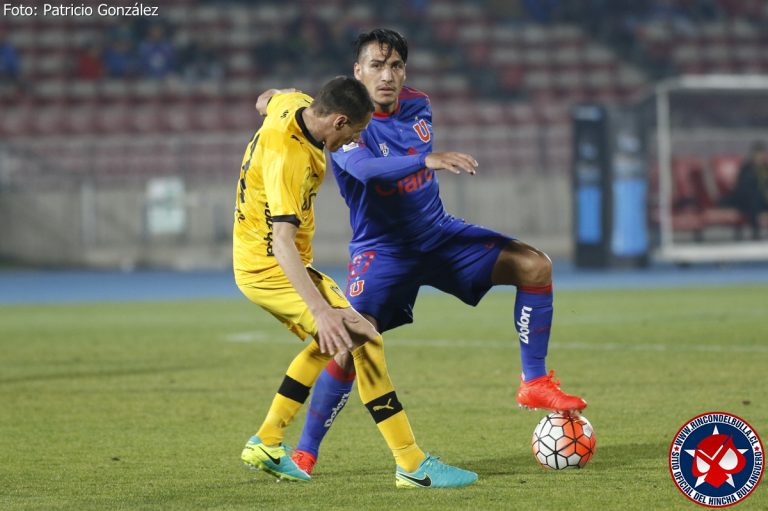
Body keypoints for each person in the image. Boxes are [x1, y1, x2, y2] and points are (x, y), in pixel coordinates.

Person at [289, 29, 587, 476]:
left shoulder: (419, 103)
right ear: (357, 72)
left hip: (439, 236)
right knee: (349, 345)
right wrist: (425, 160)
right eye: (376, 65)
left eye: (395, 66)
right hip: (383, 251)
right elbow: (368, 171)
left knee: (534, 265)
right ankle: (305, 453)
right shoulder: (344, 122)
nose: (387, 75)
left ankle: (534, 381)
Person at [233, 76, 477, 489]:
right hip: (271, 265)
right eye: (356, 133)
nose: (354, 141)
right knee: (364, 336)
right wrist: (320, 310)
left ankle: (269, 440)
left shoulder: (294, 103)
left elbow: (265, 99)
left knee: (334, 339)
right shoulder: (288, 160)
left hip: (260, 260)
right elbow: (283, 243)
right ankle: (412, 464)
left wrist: (269, 104)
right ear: (339, 120)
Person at [725, 141, 768, 239]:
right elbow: (742, 188)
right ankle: (755, 231)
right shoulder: (746, 168)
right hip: (746, 200)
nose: (760, 157)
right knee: (754, 199)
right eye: (758, 154)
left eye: (762, 154)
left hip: (763, 199)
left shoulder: (765, 168)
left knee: (758, 198)